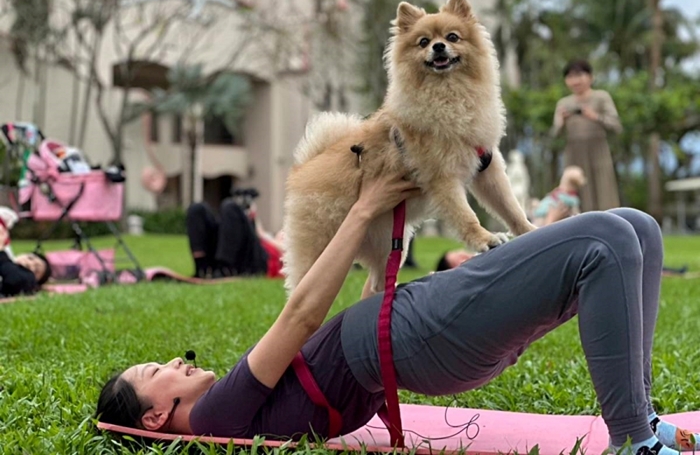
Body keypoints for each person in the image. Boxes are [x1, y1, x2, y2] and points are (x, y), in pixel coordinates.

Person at [97, 171, 697, 455]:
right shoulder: (217, 415)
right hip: (426, 333)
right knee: (605, 241)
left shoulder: (236, 406)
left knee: (636, 229)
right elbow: (303, 315)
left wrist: (388, 241)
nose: (173, 361)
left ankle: (641, 422)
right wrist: (363, 208)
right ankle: (632, 441)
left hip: (413, 327)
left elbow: (338, 344)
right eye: (157, 371)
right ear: (155, 419)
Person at [552, 59, 622, 212]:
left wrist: (594, 116)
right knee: (575, 192)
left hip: (598, 149)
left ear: (591, 77)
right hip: (573, 151)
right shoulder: (564, 103)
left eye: (579, 75)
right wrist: (561, 121)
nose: (575, 81)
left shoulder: (601, 97)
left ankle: (609, 224)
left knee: (603, 188)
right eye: (570, 77)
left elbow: (616, 125)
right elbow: (555, 135)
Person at [186, 198, 282, 279]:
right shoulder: (276, 234)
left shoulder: (292, 244)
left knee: (230, 207)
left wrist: (262, 234)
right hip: (245, 249)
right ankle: (202, 268)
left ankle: (225, 268)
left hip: (258, 261)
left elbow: (286, 250)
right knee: (197, 209)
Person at [0, 212, 51, 297]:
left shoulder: (22, 280)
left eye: (36, 270)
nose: (29, 264)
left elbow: (16, 279)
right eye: (30, 258)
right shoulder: (6, 248)